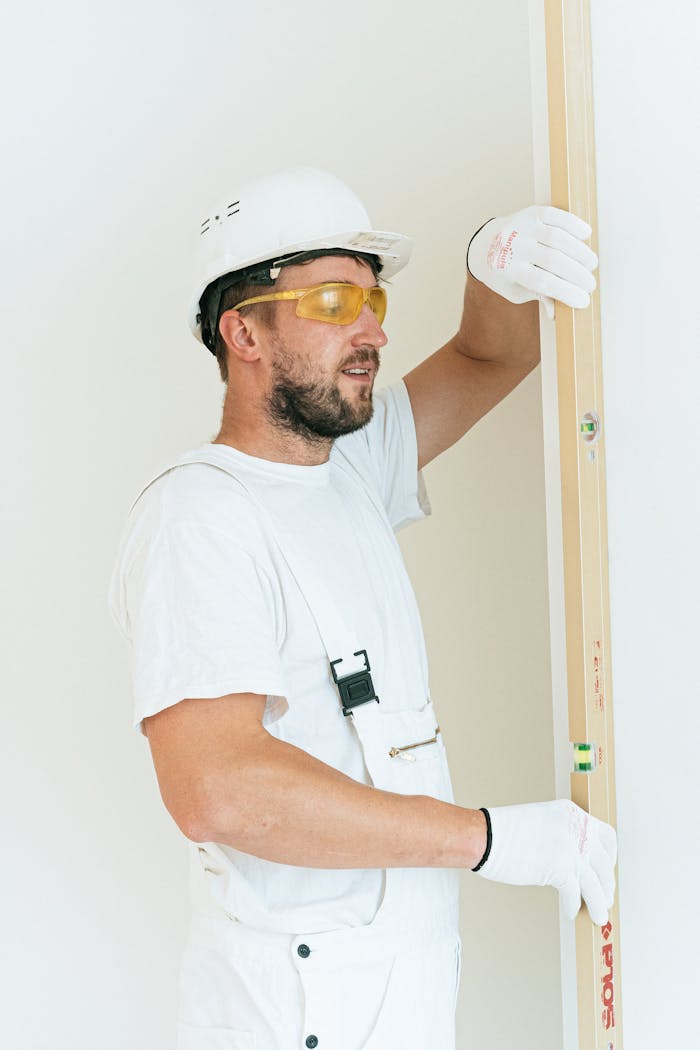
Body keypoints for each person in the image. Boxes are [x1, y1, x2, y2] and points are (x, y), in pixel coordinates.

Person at [109, 167, 616, 1050]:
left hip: (391, 989)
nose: (374, 329)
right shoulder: (202, 517)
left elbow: (493, 354)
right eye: (335, 302)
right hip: (294, 1012)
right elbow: (215, 789)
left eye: (374, 298)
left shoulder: (347, 468)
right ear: (243, 332)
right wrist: (493, 840)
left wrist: (489, 264)